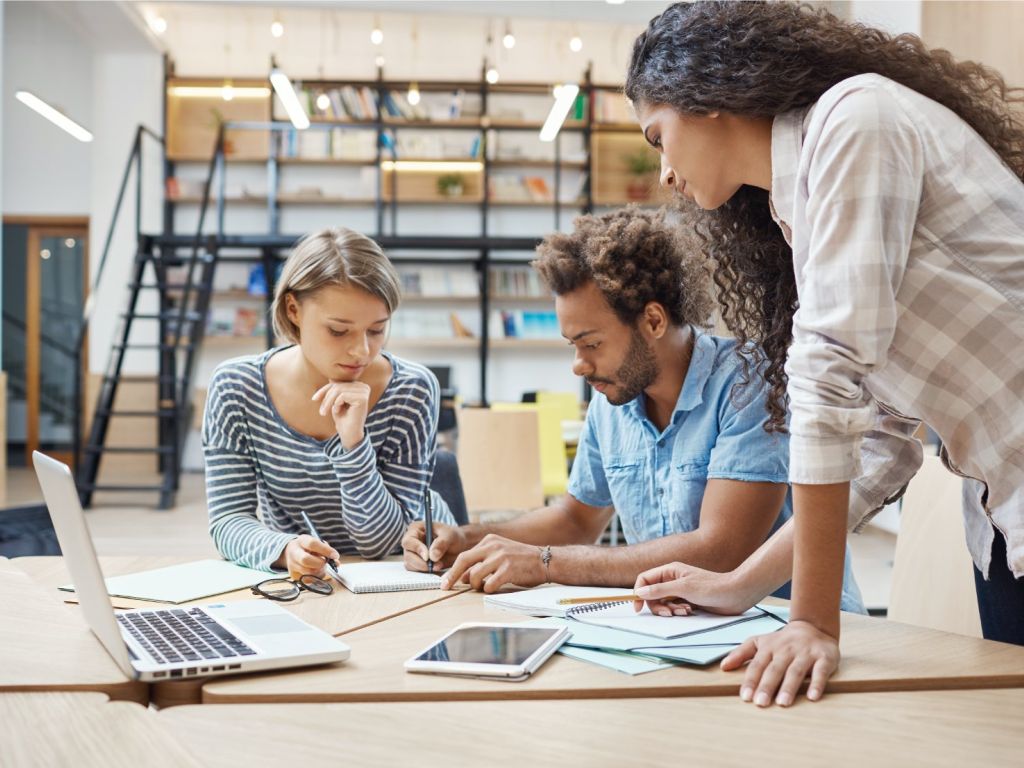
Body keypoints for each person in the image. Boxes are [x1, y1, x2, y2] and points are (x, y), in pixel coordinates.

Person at [624, 0, 1024, 708]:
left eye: (659, 138)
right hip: (999, 516)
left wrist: (811, 619)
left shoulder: (854, 119)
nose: (664, 172)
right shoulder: (796, 200)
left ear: (706, 96)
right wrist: (744, 582)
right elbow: (880, 443)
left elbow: (829, 369)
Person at [401, 208, 863, 613]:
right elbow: (576, 520)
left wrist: (545, 563)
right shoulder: (614, 398)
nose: (579, 365)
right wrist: (469, 538)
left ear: (654, 320)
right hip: (683, 627)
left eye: (592, 344)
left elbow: (721, 551)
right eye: (573, 345)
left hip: (784, 623)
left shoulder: (747, 383)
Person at [203, 227, 454, 579]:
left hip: (402, 576)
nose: (361, 351)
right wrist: (282, 549)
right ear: (293, 309)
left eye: (377, 330)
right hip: (308, 579)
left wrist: (353, 443)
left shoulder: (412, 390)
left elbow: (380, 543)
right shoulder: (237, 387)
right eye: (338, 331)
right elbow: (229, 519)